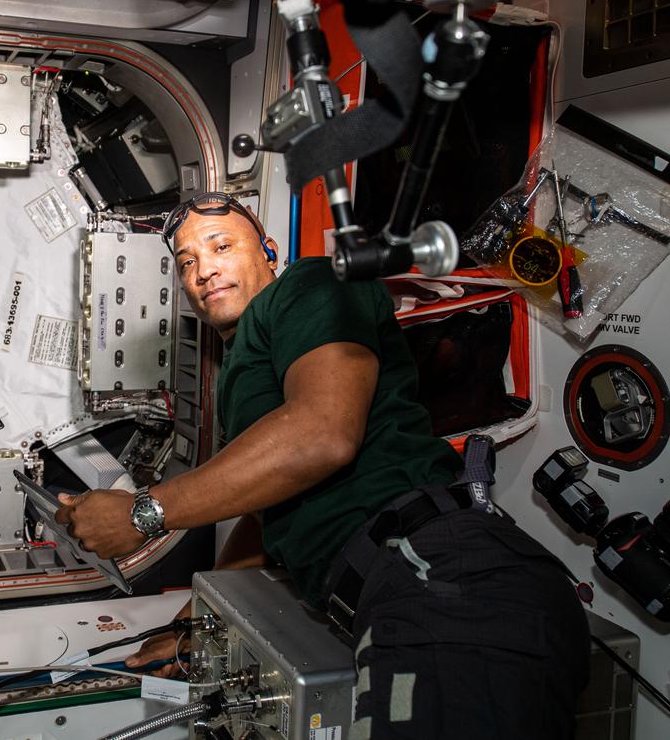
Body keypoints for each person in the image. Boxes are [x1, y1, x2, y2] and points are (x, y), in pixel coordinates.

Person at [55, 193, 589, 739]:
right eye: (187, 261)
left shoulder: (314, 283)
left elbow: (322, 436)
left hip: (443, 579)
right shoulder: (243, 365)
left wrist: (144, 514)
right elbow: (267, 520)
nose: (203, 269)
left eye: (221, 246)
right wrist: (199, 622)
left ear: (268, 252)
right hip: (403, 585)